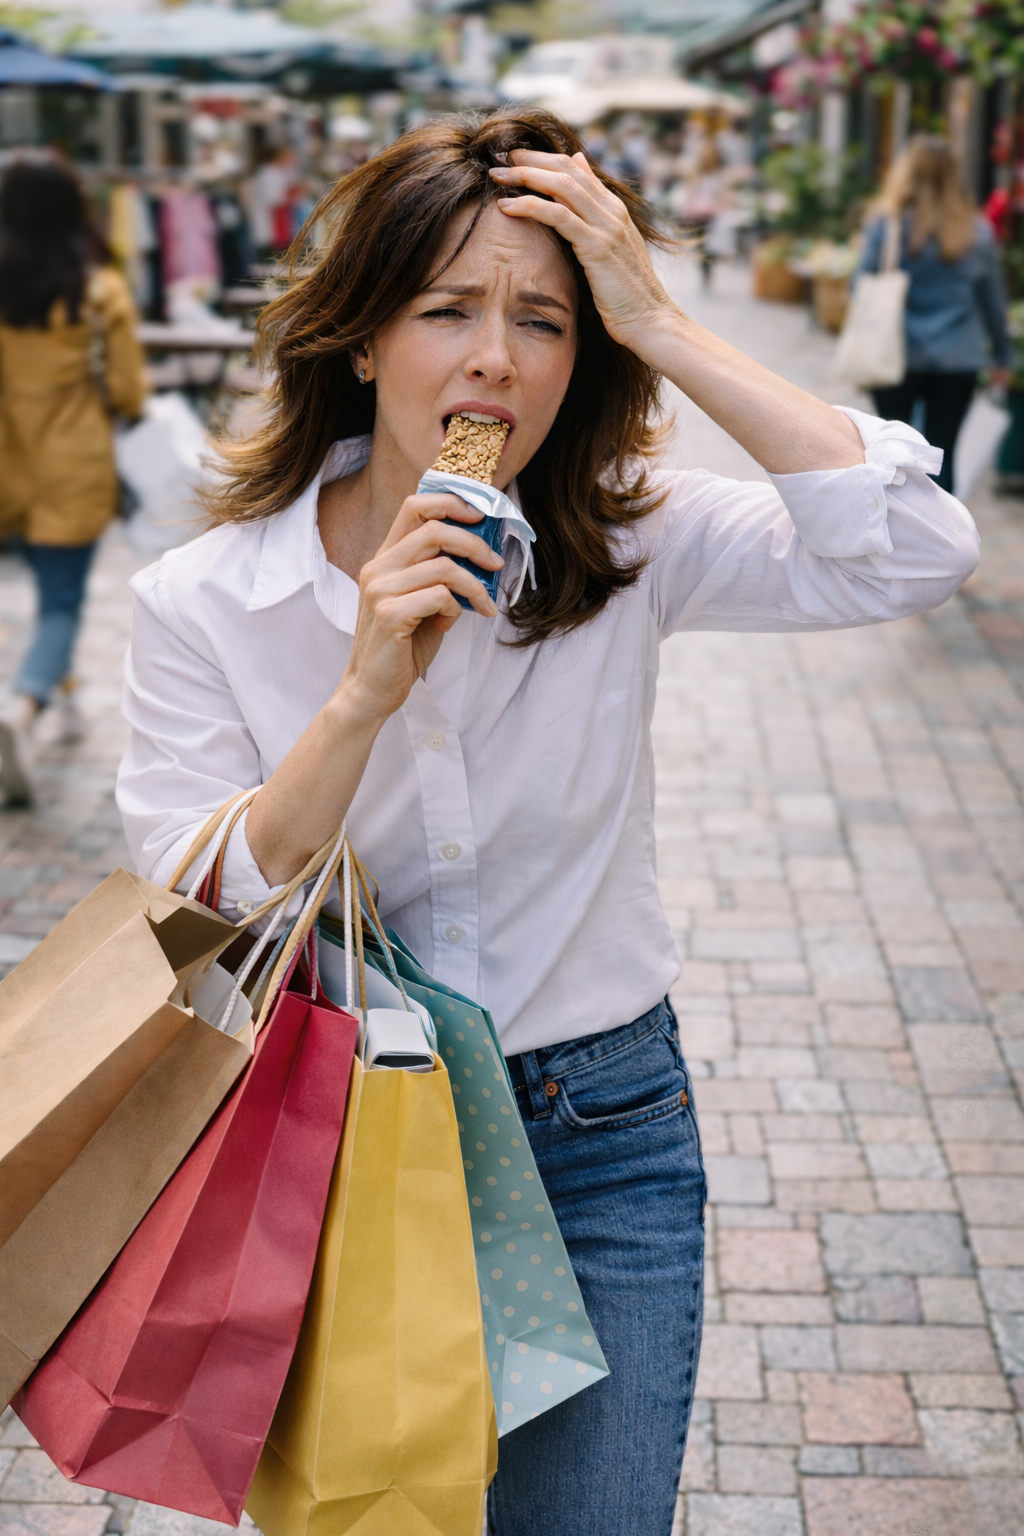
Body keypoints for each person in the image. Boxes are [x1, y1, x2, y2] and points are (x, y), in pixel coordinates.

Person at [116, 109, 978, 1536]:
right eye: (446, 310)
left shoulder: (628, 540)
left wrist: (664, 324)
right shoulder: (208, 600)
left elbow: (916, 550)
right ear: (361, 338)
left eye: (546, 322)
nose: (495, 361)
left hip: (600, 1132)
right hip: (330, 1134)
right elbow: (197, 898)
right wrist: (361, 696)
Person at [0, 155, 145, 804]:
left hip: (10, 464)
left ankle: (64, 690)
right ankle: (24, 705)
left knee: (46, 586)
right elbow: (127, 389)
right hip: (73, 466)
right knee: (62, 601)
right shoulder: (96, 291)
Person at [858, 133, 1010, 493]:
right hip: (957, 359)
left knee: (891, 455)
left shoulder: (887, 225)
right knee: (943, 454)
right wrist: (1003, 356)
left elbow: (859, 287)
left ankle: (892, 524)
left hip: (894, 354)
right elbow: (993, 301)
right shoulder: (976, 232)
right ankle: (938, 527)